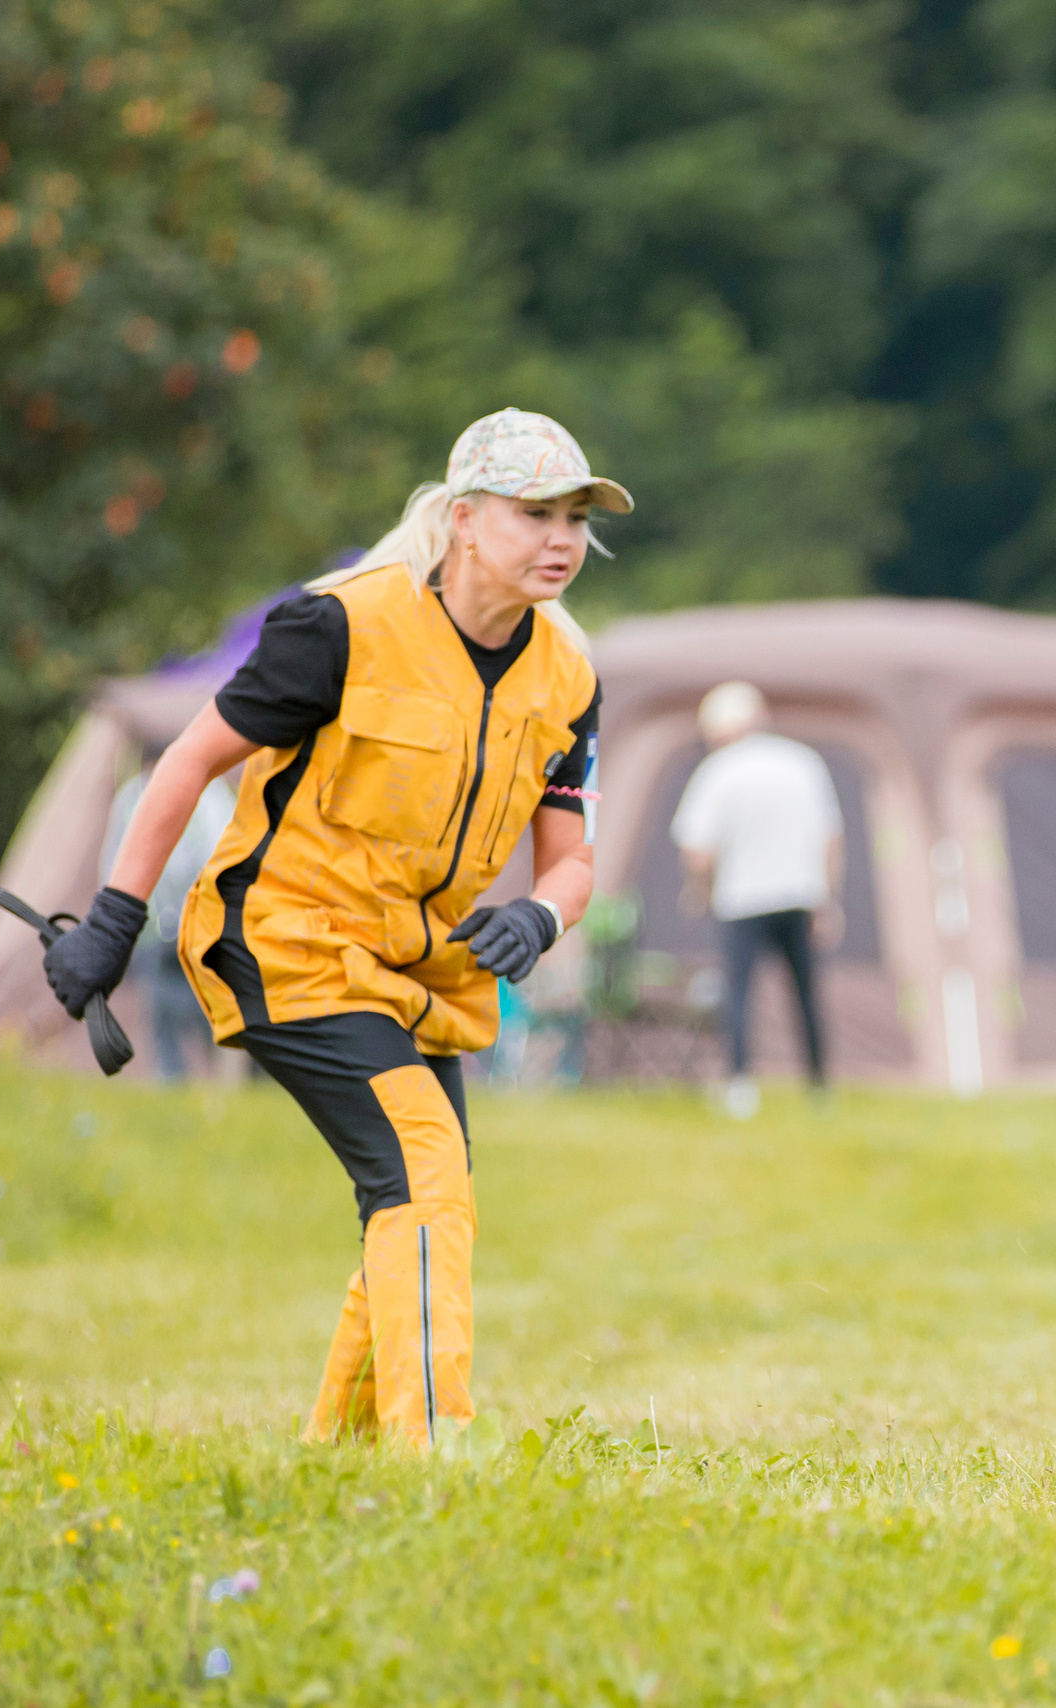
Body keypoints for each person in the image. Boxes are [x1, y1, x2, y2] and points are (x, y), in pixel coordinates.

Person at [39, 407, 625, 1453]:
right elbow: (185, 760)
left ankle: (337, 1454)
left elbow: (572, 857)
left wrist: (538, 919)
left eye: (577, 516)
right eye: (536, 512)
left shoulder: (568, 673)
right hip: (285, 938)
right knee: (423, 1170)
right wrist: (115, 920)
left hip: (412, 966)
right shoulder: (339, 625)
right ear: (462, 517)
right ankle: (433, 1452)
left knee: (417, 1197)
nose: (562, 538)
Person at [670, 681, 843, 1117]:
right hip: (800, 895)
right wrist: (827, 900)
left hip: (740, 900)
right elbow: (830, 837)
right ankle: (819, 1085)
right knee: (806, 994)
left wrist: (699, 891)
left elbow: (697, 848)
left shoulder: (718, 770)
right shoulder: (803, 762)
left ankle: (740, 1086)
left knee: (739, 994)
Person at [102, 763, 235, 1080]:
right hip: (151, 930)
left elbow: (224, 851)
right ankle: (171, 1080)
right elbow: (114, 860)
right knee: (160, 1011)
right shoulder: (132, 796)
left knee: (211, 1009)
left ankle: (222, 1082)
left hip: (201, 926)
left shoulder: (211, 795)